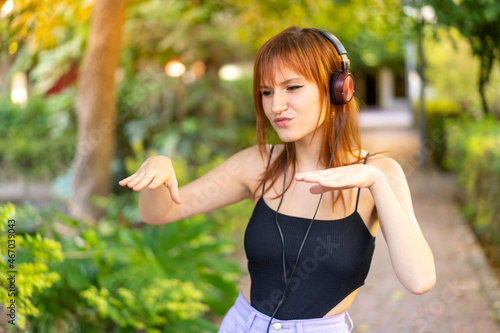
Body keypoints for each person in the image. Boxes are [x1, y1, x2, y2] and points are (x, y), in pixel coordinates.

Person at [119, 26, 436, 333]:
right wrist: (157, 172)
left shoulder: (381, 174)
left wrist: (375, 181)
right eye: (267, 92)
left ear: (340, 89)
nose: (276, 106)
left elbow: (420, 280)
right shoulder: (258, 164)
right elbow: (158, 213)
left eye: (292, 87)